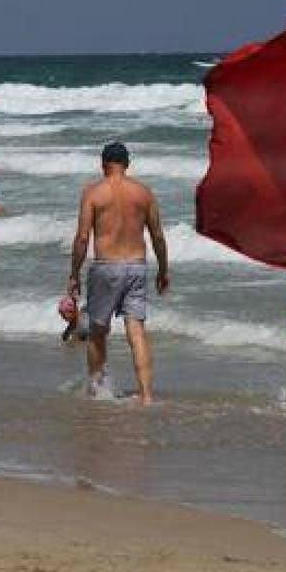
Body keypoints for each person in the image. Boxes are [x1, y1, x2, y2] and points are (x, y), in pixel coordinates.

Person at [68, 142, 168, 405]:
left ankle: (97, 390)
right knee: (136, 332)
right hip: (137, 266)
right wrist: (164, 270)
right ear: (127, 164)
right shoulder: (144, 193)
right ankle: (146, 396)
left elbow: (81, 238)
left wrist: (74, 274)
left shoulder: (94, 193)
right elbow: (157, 235)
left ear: (103, 165)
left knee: (98, 332)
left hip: (106, 267)